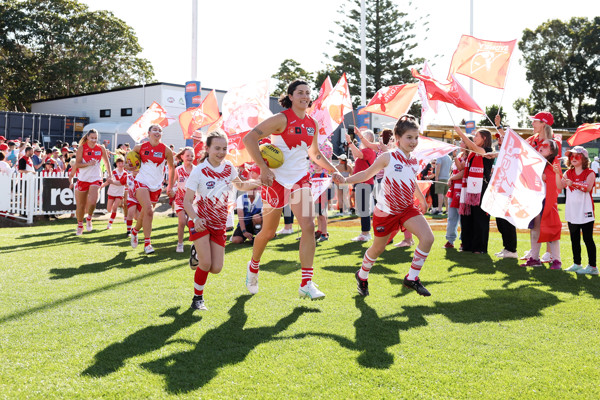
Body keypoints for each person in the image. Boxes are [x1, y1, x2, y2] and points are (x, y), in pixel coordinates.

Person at [241, 79, 344, 299]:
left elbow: (314, 154)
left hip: (300, 179)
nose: (305, 96)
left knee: (308, 225)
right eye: (300, 92)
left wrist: (333, 169)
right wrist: (262, 168)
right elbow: (249, 138)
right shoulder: (280, 119)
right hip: (275, 180)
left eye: (308, 93)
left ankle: (306, 283)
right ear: (290, 96)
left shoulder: (312, 123)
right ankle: (253, 266)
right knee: (268, 232)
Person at [344, 114, 434, 297]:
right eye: (409, 137)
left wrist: (422, 200)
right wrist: (345, 180)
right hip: (386, 212)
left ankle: (412, 278)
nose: (413, 141)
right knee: (378, 249)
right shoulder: (388, 157)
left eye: (416, 137)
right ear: (398, 138)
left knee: (428, 238)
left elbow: (412, 182)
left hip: (408, 209)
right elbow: (366, 174)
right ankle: (362, 275)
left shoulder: (414, 160)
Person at [183, 130, 260, 310]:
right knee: (206, 263)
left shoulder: (229, 168)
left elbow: (240, 185)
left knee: (216, 268)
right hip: (200, 221)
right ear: (207, 148)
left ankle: (196, 253)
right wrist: (195, 219)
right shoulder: (199, 171)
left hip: (220, 222)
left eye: (224, 148)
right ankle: (197, 299)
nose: (221, 152)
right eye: (217, 148)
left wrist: (259, 181)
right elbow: (187, 201)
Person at [129, 124, 175, 254]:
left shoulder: (166, 150)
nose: (158, 132)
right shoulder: (140, 147)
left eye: (160, 130)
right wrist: (131, 168)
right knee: (149, 210)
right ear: (148, 133)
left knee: (146, 212)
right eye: (155, 130)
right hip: (141, 182)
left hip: (156, 185)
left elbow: (172, 168)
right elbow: (131, 162)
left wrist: (170, 185)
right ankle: (147, 244)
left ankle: (135, 230)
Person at [519, 139, 562, 269]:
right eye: (541, 145)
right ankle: (534, 258)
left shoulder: (554, 163)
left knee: (551, 231)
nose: (541, 147)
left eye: (545, 146)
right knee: (534, 230)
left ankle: (557, 260)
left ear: (552, 150)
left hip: (548, 202)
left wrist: (548, 177)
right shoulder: (537, 162)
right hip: (536, 200)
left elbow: (558, 184)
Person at [454, 126, 494, 254]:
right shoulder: (472, 154)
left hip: (481, 188)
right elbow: (463, 169)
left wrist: (461, 133)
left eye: (477, 136)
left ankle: (480, 247)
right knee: (467, 217)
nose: (475, 138)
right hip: (469, 189)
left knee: (480, 218)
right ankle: (468, 245)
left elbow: (475, 148)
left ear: (484, 138)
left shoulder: (487, 151)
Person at [561, 147, 597, 275]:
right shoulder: (567, 173)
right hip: (572, 211)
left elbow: (587, 188)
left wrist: (573, 183)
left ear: (584, 158)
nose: (573, 158)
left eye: (577, 156)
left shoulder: (590, 172)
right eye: (571, 156)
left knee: (588, 239)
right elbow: (560, 186)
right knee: (574, 239)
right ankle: (577, 264)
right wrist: (556, 173)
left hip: (585, 211)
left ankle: (593, 266)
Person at [489, 116, 518, 259]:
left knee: (507, 221)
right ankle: (507, 248)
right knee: (500, 222)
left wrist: (498, 125)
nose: (499, 140)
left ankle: (512, 250)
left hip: (508, 190)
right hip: (499, 190)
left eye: (500, 138)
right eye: (498, 138)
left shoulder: (511, 151)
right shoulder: (499, 153)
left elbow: (508, 138)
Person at [73, 129, 112, 235]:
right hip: (83, 179)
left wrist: (110, 175)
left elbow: (107, 163)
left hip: (96, 178)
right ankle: (80, 224)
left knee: (93, 201)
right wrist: (88, 164)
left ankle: (89, 218)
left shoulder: (101, 148)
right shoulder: (81, 148)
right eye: (92, 138)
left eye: (95, 138)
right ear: (87, 137)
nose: (94, 140)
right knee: (80, 205)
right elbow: (77, 164)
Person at [345, 129, 376, 242]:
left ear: (370, 139)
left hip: (364, 183)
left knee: (364, 209)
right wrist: (350, 142)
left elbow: (358, 154)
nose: (361, 138)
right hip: (362, 183)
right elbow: (356, 155)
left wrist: (350, 143)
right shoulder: (367, 151)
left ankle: (365, 233)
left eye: (364, 136)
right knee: (362, 208)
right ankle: (365, 233)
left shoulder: (369, 150)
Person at [172, 147, 195, 253]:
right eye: (187, 156)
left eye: (192, 156)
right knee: (182, 221)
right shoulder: (178, 169)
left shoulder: (196, 170)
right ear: (182, 157)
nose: (190, 158)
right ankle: (180, 243)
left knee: (192, 222)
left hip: (192, 201)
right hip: (180, 199)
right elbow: (172, 184)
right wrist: (171, 190)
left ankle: (196, 241)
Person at [443, 146, 465, 249]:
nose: (460, 144)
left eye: (463, 142)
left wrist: (451, 178)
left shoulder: (468, 157)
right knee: (451, 217)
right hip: (453, 190)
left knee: (462, 219)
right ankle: (450, 240)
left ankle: (464, 241)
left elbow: (463, 171)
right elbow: (455, 171)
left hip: (463, 190)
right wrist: (450, 179)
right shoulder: (460, 156)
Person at [103, 157, 128, 230]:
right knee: (108, 209)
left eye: (122, 163)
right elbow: (108, 181)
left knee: (114, 208)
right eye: (119, 163)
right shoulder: (113, 172)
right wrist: (102, 186)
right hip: (112, 192)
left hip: (120, 193)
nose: (121, 165)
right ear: (116, 164)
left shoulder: (125, 173)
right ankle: (120, 207)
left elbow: (122, 183)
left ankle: (109, 224)